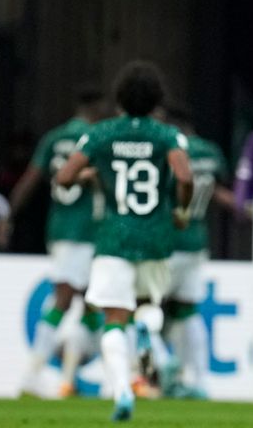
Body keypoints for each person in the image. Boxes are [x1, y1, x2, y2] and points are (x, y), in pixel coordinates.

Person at [56, 61, 193, 421]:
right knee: (147, 304)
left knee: (114, 319)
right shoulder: (167, 136)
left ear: (119, 98)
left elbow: (64, 177)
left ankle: (121, 391)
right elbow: (184, 176)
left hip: (114, 237)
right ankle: (147, 329)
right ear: (157, 99)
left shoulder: (101, 134)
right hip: (155, 236)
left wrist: (86, 176)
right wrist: (181, 210)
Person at [8, 85, 106, 397]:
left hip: (60, 230)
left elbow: (30, 179)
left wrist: (8, 213)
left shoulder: (53, 138)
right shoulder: (95, 138)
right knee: (66, 299)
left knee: (91, 303)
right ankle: (33, 373)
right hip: (85, 232)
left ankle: (67, 378)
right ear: (96, 106)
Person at [163, 104, 232, 398]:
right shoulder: (211, 152)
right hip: (197, 242)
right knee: (187, 311)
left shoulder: (171, 152)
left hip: (167, 241)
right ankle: (201, 380)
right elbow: (219, 190)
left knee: (144, 308)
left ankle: (165, 364)